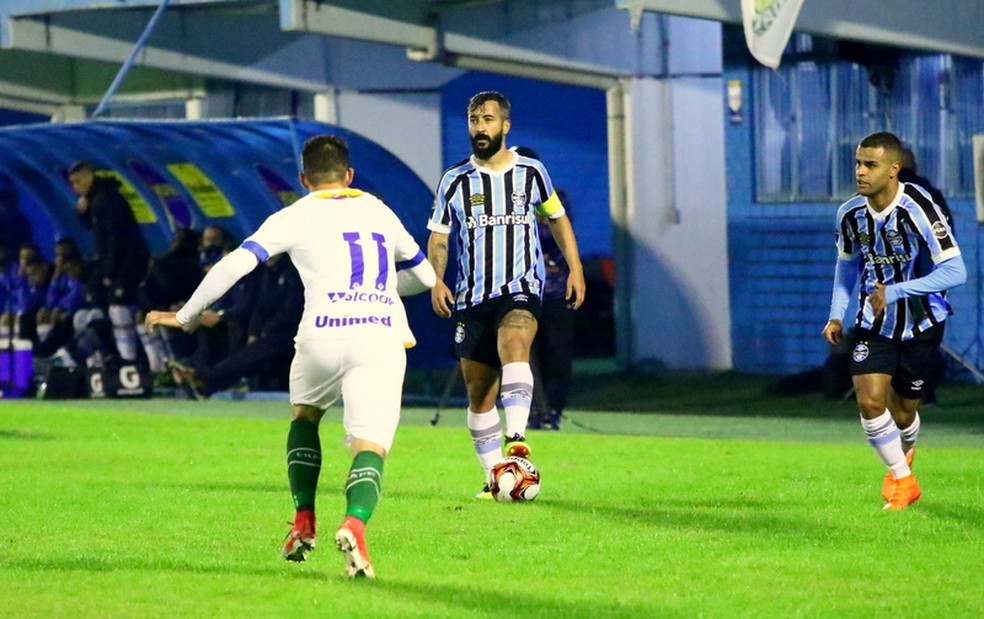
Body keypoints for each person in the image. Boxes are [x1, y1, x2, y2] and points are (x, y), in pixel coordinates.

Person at [145, 134, 436, 579]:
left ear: (304, 179)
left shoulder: (294, 214)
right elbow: (425, 276)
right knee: (369, 445)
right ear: (349, 175)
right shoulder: (379, 209)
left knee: (305, 417)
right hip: (378, 336)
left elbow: (235, 264)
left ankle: (304, 521)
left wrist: (185, 315)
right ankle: (355, 523)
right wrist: (375, 289)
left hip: (320, 335)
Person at [426, 91, 586, 497]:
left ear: (505, 125)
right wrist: (438, 280)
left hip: (521, 286)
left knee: (515, 340)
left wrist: (575, 268)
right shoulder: (455, 180)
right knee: (479, 395)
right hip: (472, 295)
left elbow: (557, 218)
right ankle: (496, 475)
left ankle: (517, 440)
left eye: (488, 120)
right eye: (475, 120)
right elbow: (440, 237)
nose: (480, 127)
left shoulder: (532, 172)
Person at [821, 131, 966, 511]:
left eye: (871, 165)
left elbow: (956, 271)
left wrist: (898, 291)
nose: (861, 172)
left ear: (893, 170)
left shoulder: (920, 208)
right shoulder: (850, 213)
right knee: (870, 402)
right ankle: (904, 481)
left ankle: (904, 453)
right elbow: (846, 266)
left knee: (904, 412)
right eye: (858, 163)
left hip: (922, 322)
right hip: (874, 322)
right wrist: (836, 313)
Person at [68, 160, 150, 363]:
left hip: (128, 262)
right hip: (116, 263)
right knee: (103, 310)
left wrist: (109, 272)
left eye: (77, 182)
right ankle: (113, 358)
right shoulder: (95, 199)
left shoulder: (107, 199)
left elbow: (116, 238)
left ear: (89, 176)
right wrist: (82, 213)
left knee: (119, 308)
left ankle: (132, 362)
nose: (74, 188)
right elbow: (94, 229)